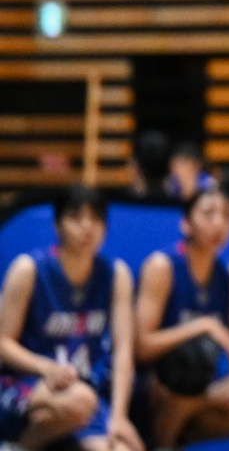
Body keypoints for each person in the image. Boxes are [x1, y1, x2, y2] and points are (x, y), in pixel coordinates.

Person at [135, 186, 229, 447]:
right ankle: (160, 441)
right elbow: (141, 348)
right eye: (209, 214)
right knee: (191, 362)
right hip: (151, 384)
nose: (219, 223)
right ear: (186, 224)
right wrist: (202, 326)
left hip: (197, 388)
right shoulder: (162, 266)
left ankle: (173, 439)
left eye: (227, 215)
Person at [0, 187, 136, 451]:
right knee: (78, 402)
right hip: (23, 382)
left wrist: (119, 417)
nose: (87, 227)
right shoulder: (28, 269)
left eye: (95, 218)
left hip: (81, 391)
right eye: (75, 217)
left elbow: (123, 351)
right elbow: (3, 343)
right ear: (57, 225)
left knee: (123, 448)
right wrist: (46, 368)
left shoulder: (116, 274)